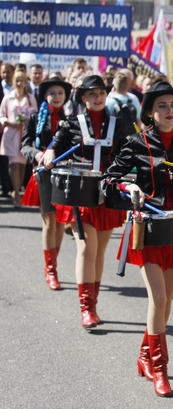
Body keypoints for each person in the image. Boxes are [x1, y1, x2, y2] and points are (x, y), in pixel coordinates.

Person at [103, 81, 173, 397]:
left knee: (166, 302)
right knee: (158, 299)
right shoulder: (136, 142)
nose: (169, 111)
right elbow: (111, 179)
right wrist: (128, 188)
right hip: (148, 228)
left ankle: (145, 356)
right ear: (150, 112)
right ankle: (161, 369)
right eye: (162, 105)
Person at [41, 75, 127, 329]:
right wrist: (50, 152)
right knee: (86, 248)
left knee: (99, 251)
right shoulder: (72, 122)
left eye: (101, 93)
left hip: (108, 193)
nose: (97, 97)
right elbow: (56, 145)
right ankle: (86, 308)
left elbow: (131, 151)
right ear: (83, 98)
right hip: (81, 193)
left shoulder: (119, 124)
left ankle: (94, 303)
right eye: (91, 94)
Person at [20, 77, 72, 290]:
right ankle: (50, 269)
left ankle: (54, 263)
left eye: (60, 93)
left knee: (60, 221)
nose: (57, 97)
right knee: (49, 221)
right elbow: (24, 145)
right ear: (45, 96)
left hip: (64, 172)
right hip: (42, 172)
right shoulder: (34, 118)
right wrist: (39, 154)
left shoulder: (71, 119)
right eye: (52, 93)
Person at [0, 70, 38, 207]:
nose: (20, 83)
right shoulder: (8, 98)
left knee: (22, 164)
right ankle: (16, 192)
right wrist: (10, 123)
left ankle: (18, 191)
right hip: (11, 134)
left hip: (25, 134)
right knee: (14, 164)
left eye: (22, 80)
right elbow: (2, 115)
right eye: (17, 80)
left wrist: (26, 121)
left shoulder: (30, 98)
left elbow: (35, 114)